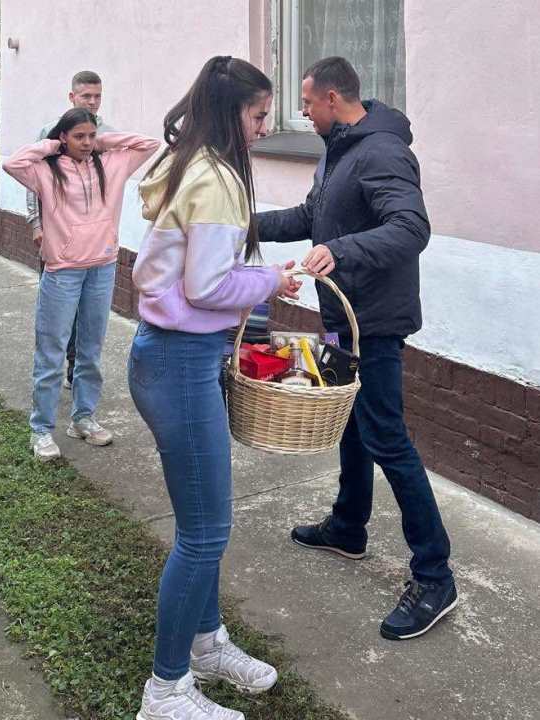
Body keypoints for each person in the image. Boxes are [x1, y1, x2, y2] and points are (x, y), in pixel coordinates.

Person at [257, 56, 457, 641]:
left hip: (375, 321)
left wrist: (342, 251)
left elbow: (411, 228)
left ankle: (435, 575)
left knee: (387, 438)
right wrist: (244, 224)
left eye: (307, 103)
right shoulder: (338, 150)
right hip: (342, 317)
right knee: (350, 423)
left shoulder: (383, 151)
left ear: (333, 98)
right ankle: (348, 527)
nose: (302, 112)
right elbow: (311, 216)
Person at [129, 56, 300, 720]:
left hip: (174, 358)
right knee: (205, 533)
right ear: (234, 112)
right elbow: (206, 287)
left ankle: (205, 644)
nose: (264, 128)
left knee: (203, 524)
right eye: (259, 115)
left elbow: (198, 276)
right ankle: (165, 691)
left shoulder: (191, 163)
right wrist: (272, 280)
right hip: (179, 362)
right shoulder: (219, 178)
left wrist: (258, 280)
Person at [4, 109, 159, 462]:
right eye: (79, 137)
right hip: (62, 272)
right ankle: (41, 429)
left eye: (91, 136)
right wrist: (51, 146)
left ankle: (83, 418)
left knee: (91, 350)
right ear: (64, 137)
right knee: (52, 351)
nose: (87, 143)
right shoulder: (46, 171)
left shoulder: (112, 165)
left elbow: (149, 144)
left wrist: (103, 141)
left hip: (102, 268)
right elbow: (13, 163)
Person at [26, 70, 114, 389]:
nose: (92, 102)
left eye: (97, 96)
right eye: (86, 96)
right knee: (59, 310)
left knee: (89, 314)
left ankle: (76, 368)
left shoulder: (106, 136)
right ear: (72, 97)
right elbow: (33, 181)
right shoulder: (51, 133)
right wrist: (36, 223)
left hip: (95, 244)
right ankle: (54, 362)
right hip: (58, 239)